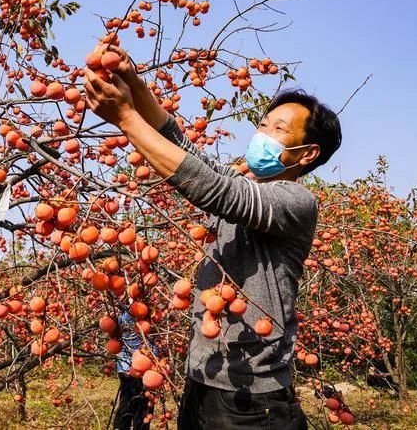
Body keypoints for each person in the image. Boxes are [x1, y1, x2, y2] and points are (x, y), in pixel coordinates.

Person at [82, 44, 342, 430]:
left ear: (307, 154)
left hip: (252, 400)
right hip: (202, 382)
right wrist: (133, 81)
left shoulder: (295, 201)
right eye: (263, 125)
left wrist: (125, 117)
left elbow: (212, 190)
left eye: (279, 129)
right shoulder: (242, 185)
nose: (263, 134)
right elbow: (181, 145)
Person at [112, 310, 153, 430]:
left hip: (125, 367)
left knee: (126, 403)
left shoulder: (123, 316)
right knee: (141, 408)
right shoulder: (138, 316)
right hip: (140, 369)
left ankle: (120, 427)